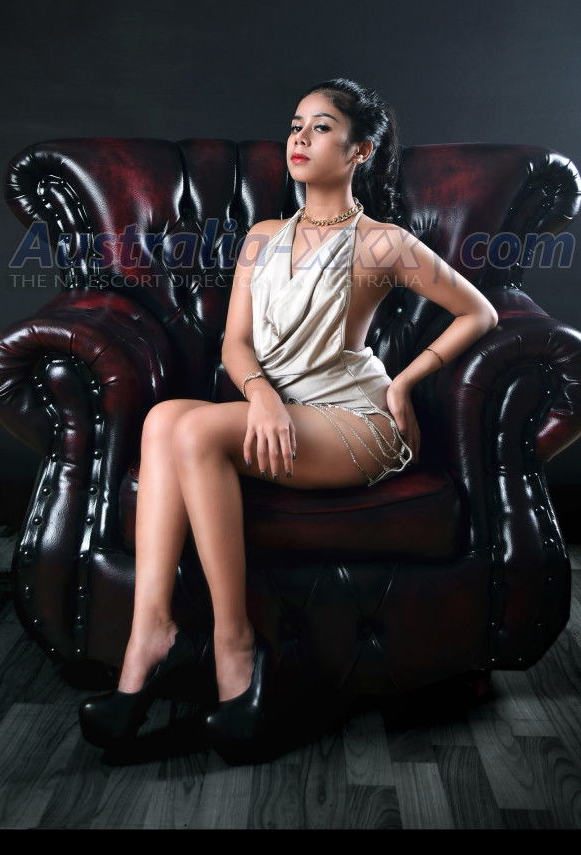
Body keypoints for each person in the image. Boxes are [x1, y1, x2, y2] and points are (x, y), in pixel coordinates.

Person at [79, 77, 499, 763]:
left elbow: (478, 311)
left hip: (354, 420)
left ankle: (235, 646)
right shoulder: (263, 237)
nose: (299, 138)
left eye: (321, 127)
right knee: (161, 421)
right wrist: (264, 398)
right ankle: (148, 635)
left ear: (361, 150)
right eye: (296, 125)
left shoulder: (383, 243)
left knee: (196, 430)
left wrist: (407, 380)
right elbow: (236, 344)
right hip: (276, 412)